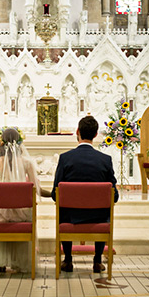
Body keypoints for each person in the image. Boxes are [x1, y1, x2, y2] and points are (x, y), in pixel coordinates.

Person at [51, 115, 119, 273]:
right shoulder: (105, 160)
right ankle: (97, 260)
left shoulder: (65, 158)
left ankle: (67, 260)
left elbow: (56, 193)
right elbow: (114, 196)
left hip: (71, 218)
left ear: (77, 132)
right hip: (98, 218)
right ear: (96, 135)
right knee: (104, 211)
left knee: (63, 210)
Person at [0, 127, 51, 273]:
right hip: (21, 214)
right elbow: (36, 188)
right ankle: (20, 262)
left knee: (0, 213)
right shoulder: (27, 162)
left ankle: (0, 262)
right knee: (26, 212)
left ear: (1, 142)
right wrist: (53, 194)